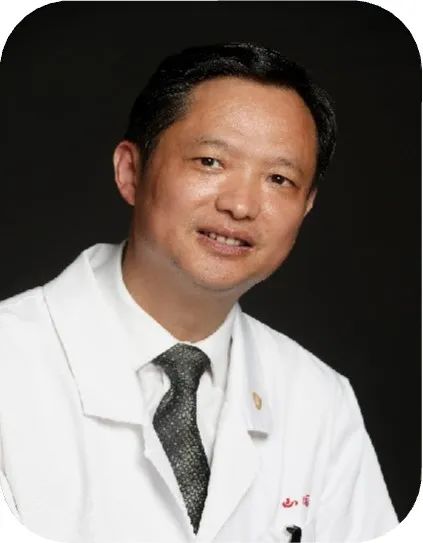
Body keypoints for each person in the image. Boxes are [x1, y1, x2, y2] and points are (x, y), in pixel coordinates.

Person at [0, 42, 398, 543]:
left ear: (307, 205)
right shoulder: (12, 363)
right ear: (131, 171)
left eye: (279, 179)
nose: (241, 205)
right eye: (211, 161)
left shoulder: (319, 400)